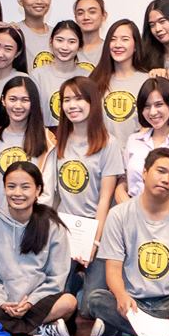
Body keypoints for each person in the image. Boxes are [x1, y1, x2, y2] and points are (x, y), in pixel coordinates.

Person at [85, 147, 169, 336]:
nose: (166, 179)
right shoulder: (119, 214)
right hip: (133, 301)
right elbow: (113, 269)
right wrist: (121, 295)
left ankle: (122, 330)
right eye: (160, 171)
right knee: (96, 300)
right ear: (144, 173)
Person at [0, 160, 75, 336]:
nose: (17, 193)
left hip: (36, 303)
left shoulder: (53, 228)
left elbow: (56, 278)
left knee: (69, 302)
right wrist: (1, 302)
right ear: (4, 188)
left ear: (38, 190)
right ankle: (36, 330)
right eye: (11, 186)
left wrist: (30, 302)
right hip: (0, 305)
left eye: (25, 187)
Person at [43, 77, 123, 287]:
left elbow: (105, 199)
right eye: (66, 99)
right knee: (57, 293)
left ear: (92, 102)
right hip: (63, 229)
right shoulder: (56, 141)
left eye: (78, 98)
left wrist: (94, 241)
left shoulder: (109, 144)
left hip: (97, 230)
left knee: (91, 301)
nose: (72, 105)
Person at [116, 77, 169, 203]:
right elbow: (123, 183)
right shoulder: (133, 140)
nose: (152, 112)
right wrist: (130, 208)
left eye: (159, 105)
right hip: (132, 210)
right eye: (146, 106)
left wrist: (154, 212)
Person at [0, 74, 50, 211]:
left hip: (33, 220)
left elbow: (46, 193)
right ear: (3, 100)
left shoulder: (47, 140)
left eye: (25, 100)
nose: (18, 106)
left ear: (33, 103)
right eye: (12, 99)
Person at [89, 19, 152, 134]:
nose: (117, 45)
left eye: (125, 39)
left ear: (136, 46)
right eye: (113, 39)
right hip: (101, 145)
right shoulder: (95, 79)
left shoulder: (148, 80)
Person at [32, 19, 94, 124]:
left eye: (72, 42)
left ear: (80, 45)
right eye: (59, 40)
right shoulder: (37, 76)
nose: (65, 47)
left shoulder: (88, 77)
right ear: (51, 42)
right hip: (46, 134)